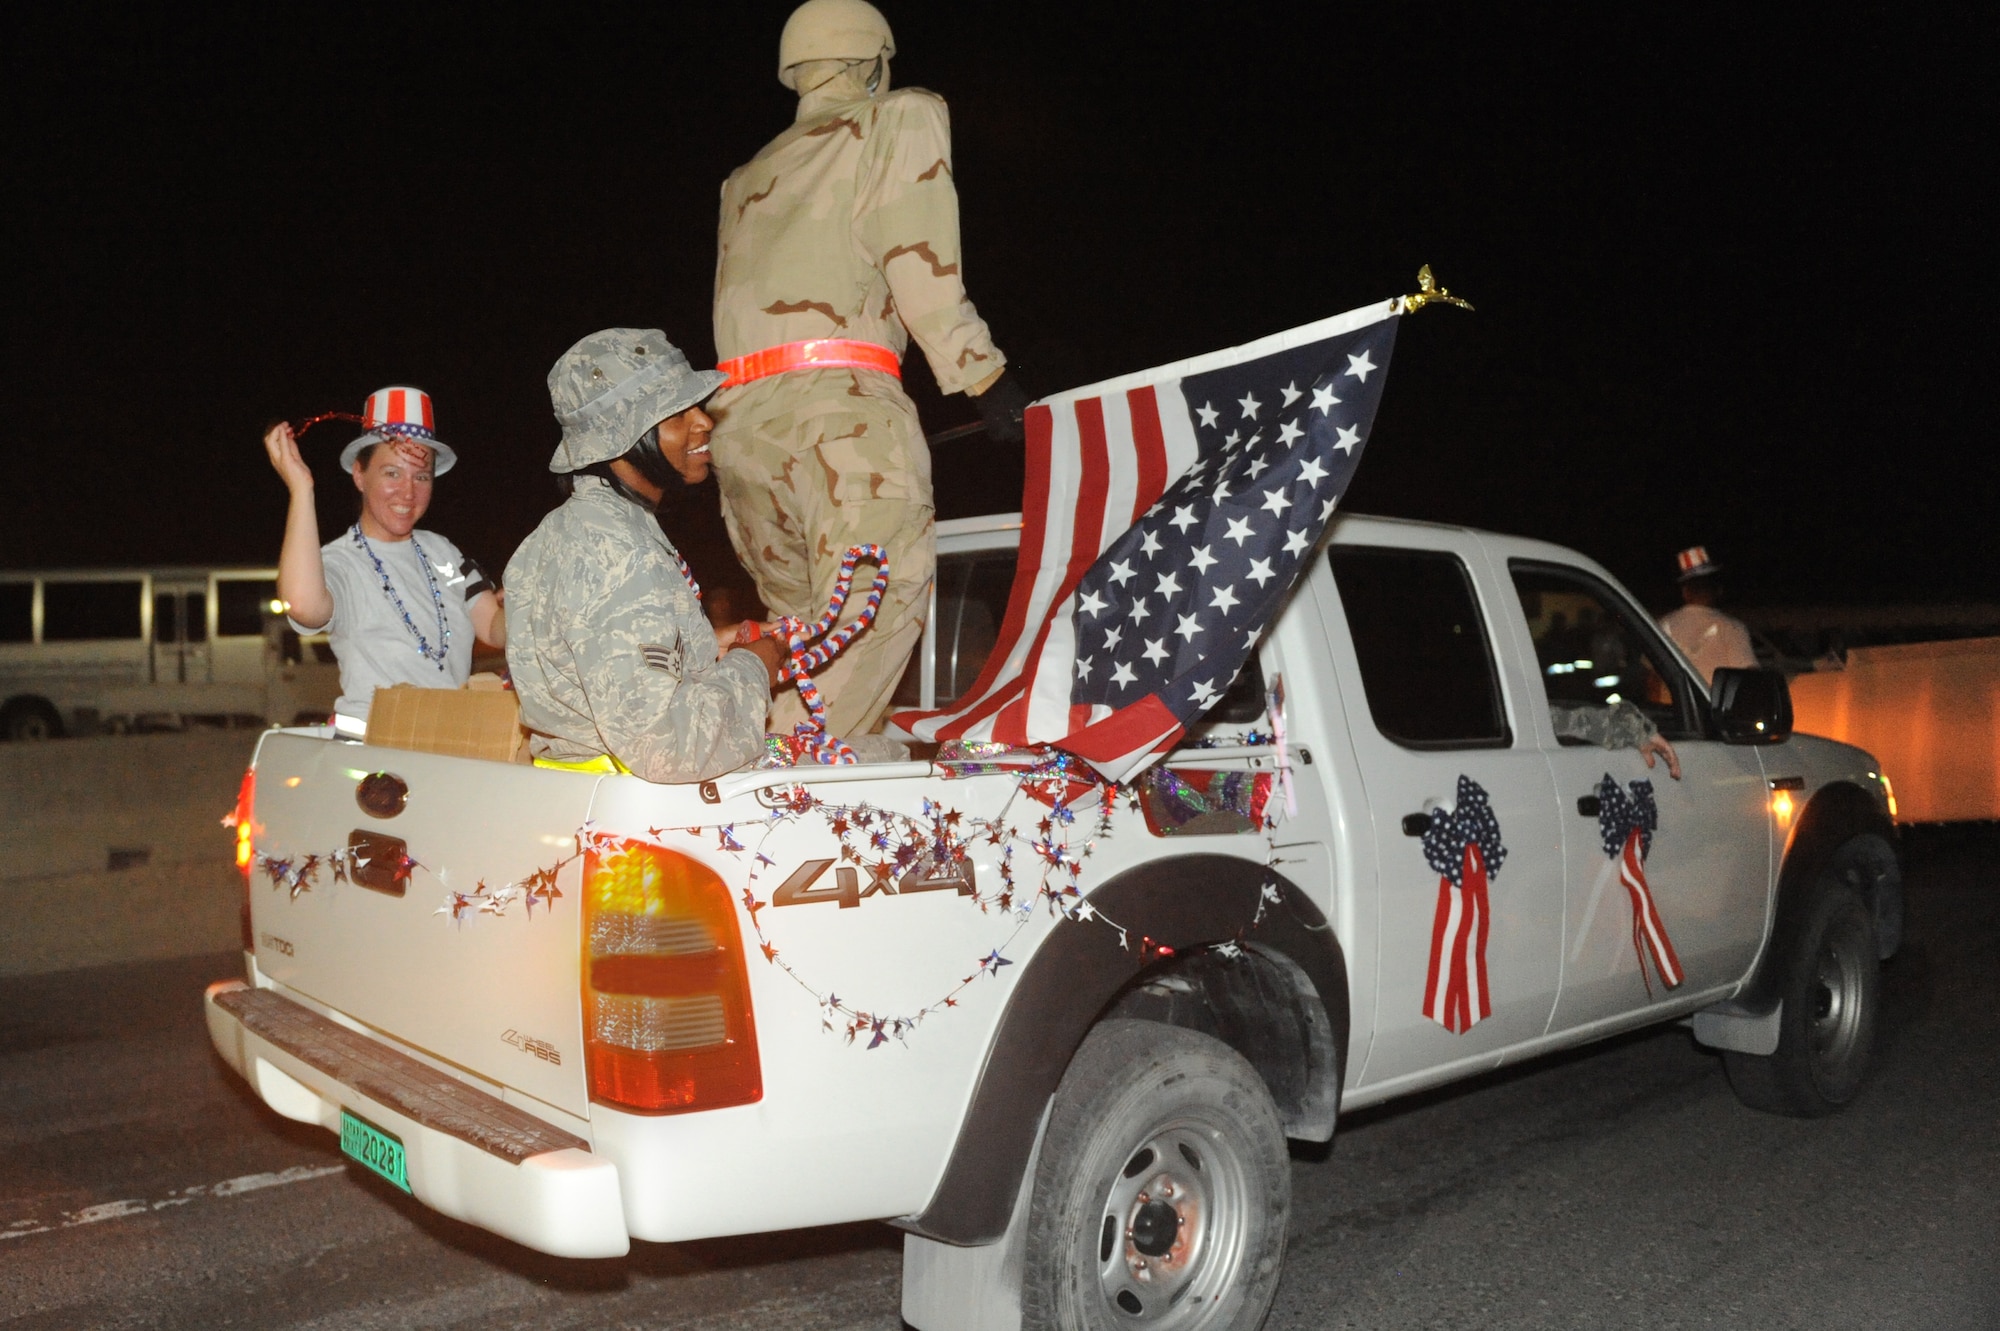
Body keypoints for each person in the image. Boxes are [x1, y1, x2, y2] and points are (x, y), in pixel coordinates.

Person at [707, 0, 1028, 738]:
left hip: (742, 433)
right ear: (871, 62)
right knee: (872, 613)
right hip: (842, 419)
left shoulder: (745, 178)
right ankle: (764, 784)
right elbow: (918, 262)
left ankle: (793, 766)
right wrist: (984, 376)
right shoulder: (896, 118)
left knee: (802, 640)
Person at [504, 329, 785, 783]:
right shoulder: (619, 554)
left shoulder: (565, 532)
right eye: (676, 413)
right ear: (620, 438)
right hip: (637, 815)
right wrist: (757, 663)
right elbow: (668, 748)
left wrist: (710, 644)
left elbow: (600, 658)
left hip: (586, 800)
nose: (704, 422)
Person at [263, 386, 504, 737]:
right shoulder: (342, 562)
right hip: (374, 756)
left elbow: (495, 629)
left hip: (450, 744)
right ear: (359, 475)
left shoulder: (443, 553)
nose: (408, 492)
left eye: (421, 476)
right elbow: (303, 605)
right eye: (392, 473)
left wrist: (528, 602)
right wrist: (301, 489)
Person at [1659, 545, 1757, 685]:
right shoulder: (1732, 628)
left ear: (1685, 592)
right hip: (1716, 706)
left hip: (1673, 706)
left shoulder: (1663, 627)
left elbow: (1652, 676)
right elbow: (1749, 677)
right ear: (1718, 590)